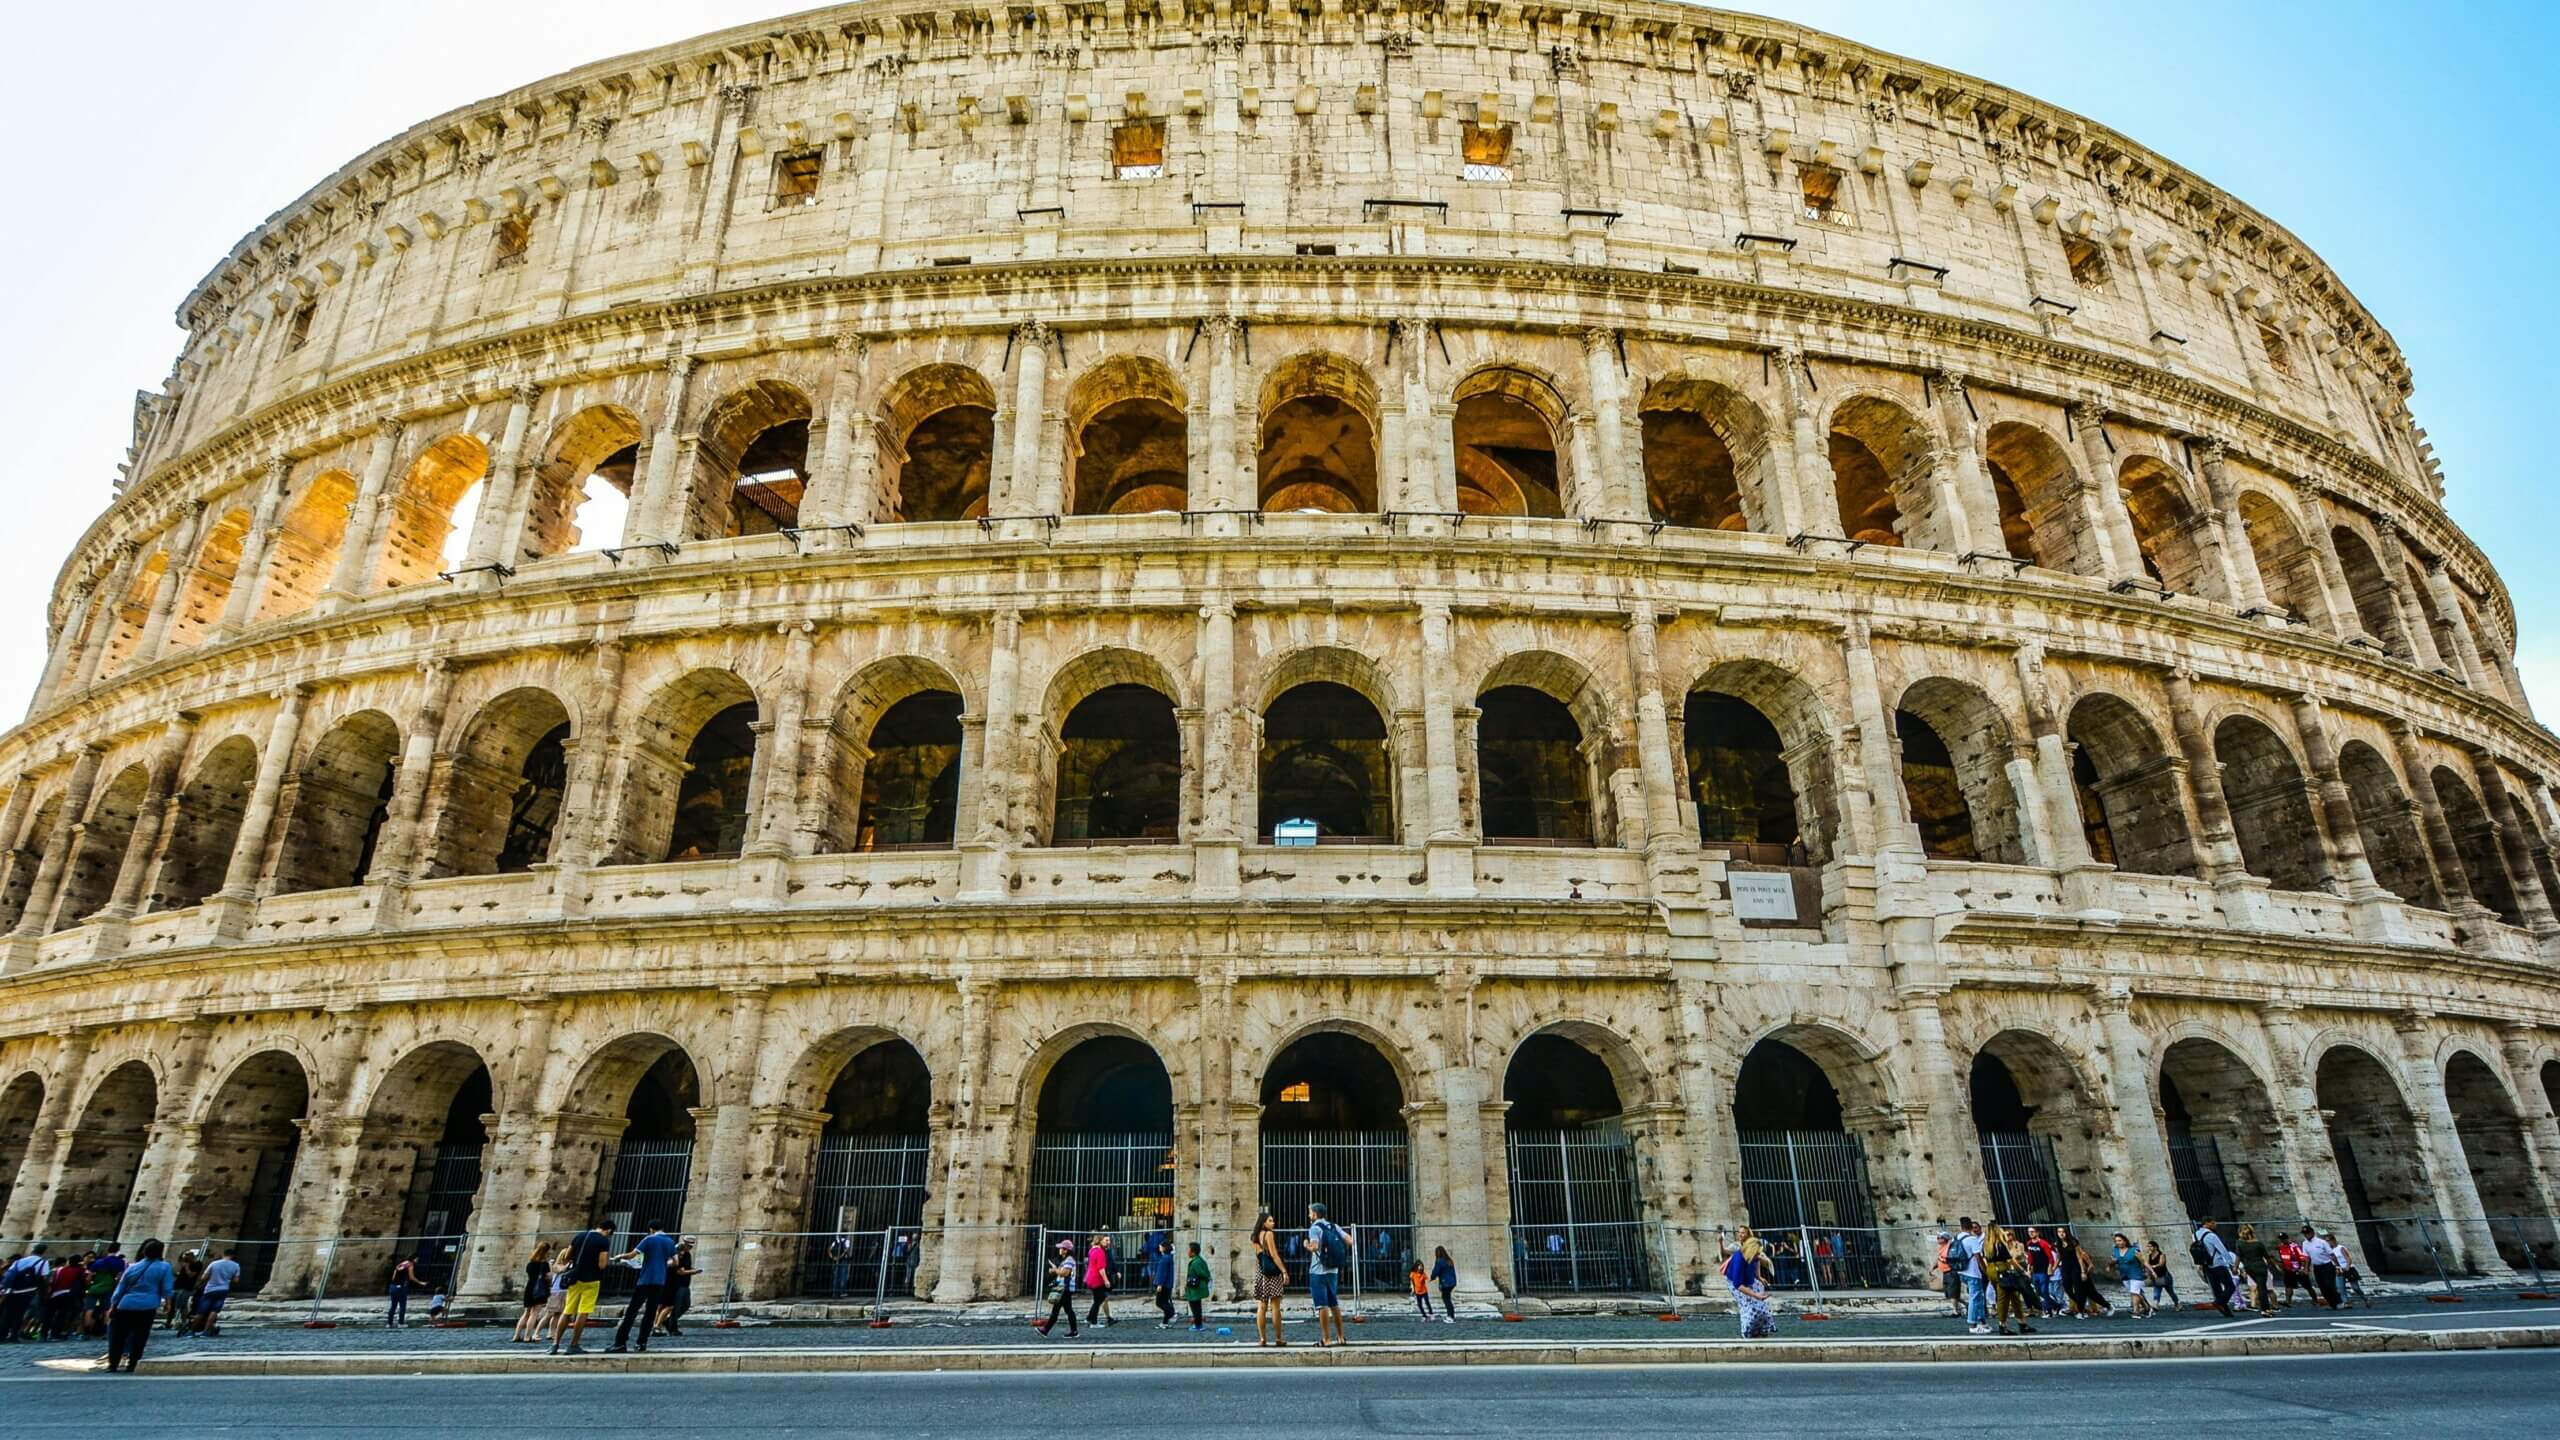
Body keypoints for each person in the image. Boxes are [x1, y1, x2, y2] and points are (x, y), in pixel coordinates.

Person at [103, 1239, 174, 1375]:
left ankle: (113, 1364)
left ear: (144, 1251)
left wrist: (113, 1305)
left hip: (125, 1304)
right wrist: (168, 1302)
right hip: (147, 1305)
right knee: (140, 1336)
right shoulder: (164, 1267)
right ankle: (133, 1363)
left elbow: (121, 1287)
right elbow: (167, 1288)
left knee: (118, 1335)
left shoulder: (132, 1267)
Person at [608, 1222, 679, 1354]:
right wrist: (663, 1265)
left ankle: (620, 1343)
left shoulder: (649, 1239)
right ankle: (641, 1343)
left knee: (632, 1312)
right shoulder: (669, 1241)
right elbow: (675, 1262)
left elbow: (632, 1255)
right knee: (650, 1313)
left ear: (651, 1229)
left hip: (645, 1280)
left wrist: (619, 1257)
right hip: (659, 1281)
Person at [550, 1218, 616, 1356]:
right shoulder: (603, 1241)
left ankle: (555, 1344)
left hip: (575, 1278)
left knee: (567, 1311)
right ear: (608, 1230)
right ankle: (573, 1344)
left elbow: (567, 1257)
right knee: (583, 1312)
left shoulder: (579, 1236)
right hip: (592, 1280)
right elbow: (602, 1265)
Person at [1303, 1202, 1349, 1348]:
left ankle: (1326, 1339)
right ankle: (1341, 1337)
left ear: (1315, 1214)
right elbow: (1350, 1240)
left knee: (1322, 1305)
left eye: (1310, 1212)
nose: (1309, 1215)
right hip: (1333, 1270)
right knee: (1334, 1304)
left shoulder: (1315, 1228)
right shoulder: (1334, 1226)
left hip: (1318, 1271)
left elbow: (1315, 1247)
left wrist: (1306, 1245)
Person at [1984, 1224, 2037, 1336]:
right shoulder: (2000, 1245)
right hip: (2002, 1270)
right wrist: (2023, 1271)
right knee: (2004, 1299)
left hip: (1991, 1270)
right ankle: (2003, 1325)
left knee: (2013, 1296)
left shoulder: (1986, 1246)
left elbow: (1984, 1260)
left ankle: (2021, 1323)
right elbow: (2010, 1260)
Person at [1723, 1227, 1774, 1339]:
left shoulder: (1754, 1253)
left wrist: (1759, 1277)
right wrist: (1755, 1295)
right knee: (1748, 1307)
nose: (1758, 1255)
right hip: (1736, 1282)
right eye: (1757, 1254)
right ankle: (1747, 1333)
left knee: (1763, 1307)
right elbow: (1738, 1285)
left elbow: (1757, 1262)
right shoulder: (1738, 1259)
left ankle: (1763, 1330)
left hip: (1749, 1278)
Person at [1251, 1210, 1289, 1347]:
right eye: (1270, 1221)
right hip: (1272, 1273)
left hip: (1261, 1272)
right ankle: (1278, 1338)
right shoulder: (1269, 1234)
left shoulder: (1254, 1237)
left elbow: (1259, 1256)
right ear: (1263, 1222)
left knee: (1261, 1306)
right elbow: (1274, 1255)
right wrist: (1284, 1271)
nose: (1273, 1223)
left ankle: (1262, 1338)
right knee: (1275, 1307)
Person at [1035, 1237, 1081, 1338]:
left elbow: (1065, 1273)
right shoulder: (1067, 1260)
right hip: (1065, 1288)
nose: (1059, 1250)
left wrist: (1055, 1270)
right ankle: (1073, 1331)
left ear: (1066, 1250)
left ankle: (1045, 1330)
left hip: (1065, 1288)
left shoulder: (1069, 1260)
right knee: (1068, 1310)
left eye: (1061, 1248)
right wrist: (1055, 1271)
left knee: (1058, 1310)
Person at [0, 1243, 47, 1343]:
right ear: (43, 1252)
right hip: (27, 1291)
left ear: (33, 1250)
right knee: (19, 1314)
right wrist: (44, 1294)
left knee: (7, 1313)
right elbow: (43, 1278)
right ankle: (13, 1336)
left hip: (12, 1290)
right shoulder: (43, 1262)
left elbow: (9, 1275)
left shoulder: (20, 1261)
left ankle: (2, 1335)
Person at [2191, 1221, 2237, 1317]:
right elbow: (2222, 1249)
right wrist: (2231, 1263)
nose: (2215, 1225)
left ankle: (2225, 1310)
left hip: (2206, 1265)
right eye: (2213, 1223)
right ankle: (2219, 1302)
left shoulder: (2194, 1235)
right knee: (2230, 1286)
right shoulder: (2212, 1236)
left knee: (2216, 1288)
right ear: (2207, 1223)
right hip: (2218, 1263)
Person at [1952, 1217, 1989, 1335]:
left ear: (1961, 1226)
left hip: (1961, 1271)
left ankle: (1982, 1322)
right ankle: (1972, 1324)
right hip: (1973, 1272)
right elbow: (1978, 1257)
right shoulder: (1972, 1239)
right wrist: (1985, 1270)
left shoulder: (1956, 1238)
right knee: (1975, 1298)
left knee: (1978, 1297)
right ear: (1970, 1227)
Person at [192, 1249, 240, 1338]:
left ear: (223, 1254)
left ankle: (192, 1331)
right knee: (214, 1311)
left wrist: (198, 1285)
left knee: (201, 1311)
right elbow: (236, 1280)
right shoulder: (236, 1265)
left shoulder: (214, 1264)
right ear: (233, 1256)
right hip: (223, 1289)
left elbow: (204, 1277)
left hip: (210, 1289)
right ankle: (206, 1331)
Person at [656, 1237, 697, 1337]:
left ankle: (666, 1323)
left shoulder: (686, 1255)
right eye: (689, 1245)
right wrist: (694, 1271)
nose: (690, 1247)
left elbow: (684, 1268)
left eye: (691, 1246)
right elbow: (679, 1271)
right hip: (676, 1284)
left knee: (685, 1305)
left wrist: (691, 1270)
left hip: (683, 1283)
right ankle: (667, 1327)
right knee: (674, 1306)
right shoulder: (677, 1254)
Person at [513, 1241, 554, 1343]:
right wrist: (551, 1267)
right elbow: (549, 1277)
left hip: (529, 1288)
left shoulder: (530, 1263)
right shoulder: (544, 1264)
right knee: (534, 1314)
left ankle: (516, 1335)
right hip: (539, 1290)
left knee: (526, 1313)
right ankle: (527, 1336)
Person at [2232, 1224, 2275, 1315]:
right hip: (2260, 1266)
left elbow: (2238, 1256)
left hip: (2249, 1267)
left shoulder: (2239, 1243)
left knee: (2258, 1286)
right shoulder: (2258, 1243)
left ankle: (2263, 1307)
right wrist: (2271, 1265)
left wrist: (2235, 1267)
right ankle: (2265, 1309)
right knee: (2262, 1287)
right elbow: (2267, 1257)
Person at [44, 1252, 86, 1340]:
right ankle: (55, 1333)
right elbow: (82, 1283)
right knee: (61, 1315)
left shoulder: (60, 1269)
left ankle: (44, 1333)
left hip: (55, 1294)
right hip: (68, 1294)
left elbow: (53, 1282)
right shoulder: (79, 1271)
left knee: (50, 1314)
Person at [2112, 1233, 2154, 1319]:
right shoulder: (2115, 1250)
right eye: (2116, 1241)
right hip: (2125, 1274)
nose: (2118, 1242)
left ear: (2125, 1241)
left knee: (2134, 1292)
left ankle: (2136, 1312)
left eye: (2120, 1240)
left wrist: (2152, 1271)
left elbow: (2144, 1261)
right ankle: (2147, 1308)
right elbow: (2115, 1260)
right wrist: (2110, 1265)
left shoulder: (2133, 1250)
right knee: (2135, 1292)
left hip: (2136, 1274)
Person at [2302, 1226, 2345, 1310]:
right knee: (2323, 1287)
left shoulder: (2321, 1242)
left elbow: (2332, 1255)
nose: (2306, 1235)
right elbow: (2307, 1257)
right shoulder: (2305, 1244)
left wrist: (2338, 1266)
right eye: (2305, 1234)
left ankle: (2339, 1302)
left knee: (2329, 1285)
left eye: (2308, 1233)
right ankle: (2332, 1304)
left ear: (2312, 1233)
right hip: (2317, 1267)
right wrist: (2306, 1268)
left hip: (2327, 1266)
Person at [1083, 1233, 1116, 1327]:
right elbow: (1101, 1269)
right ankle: (1093, 1322)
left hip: (1090, 1277)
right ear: (1100, 1241)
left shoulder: (1092, 1250)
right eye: (1105, 1240)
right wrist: (1106, 1280)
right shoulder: (1100, 1252)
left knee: (1097, 1300)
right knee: (1099, 1300)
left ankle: (1090, 1319)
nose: (1108, 1242)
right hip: (1097, 1279)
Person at [2328, 1233, 2369, 1304]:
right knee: (2340, 1288)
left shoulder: (2341, 1248)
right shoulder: (2330, 1251)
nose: (2327, 1242)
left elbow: (2348, 1259)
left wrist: (2347, 1267)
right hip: (2339, 1270)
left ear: (2333, 1240)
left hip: (2348, 1269)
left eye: (2328, 1240)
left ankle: (2365, 1298)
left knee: (2355, 1288)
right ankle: (2346, 1302)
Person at [167, 1250, 201, 1334]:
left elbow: (191, 1275)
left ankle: (183, 1322)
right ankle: (168, 1323)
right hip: (177, 1286)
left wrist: (187, 1267)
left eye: (187, 1255)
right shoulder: (184, 1263)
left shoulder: (197, 1264)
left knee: (182, 1306)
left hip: (186, 1288)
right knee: (172, 1306)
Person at [1148, 1234, 1177, 1328]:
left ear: (1164, 1248)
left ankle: (1172, 1313)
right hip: (1168, 1284)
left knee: (1160, 1302)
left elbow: (1162, 1273)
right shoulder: (1169, 1258)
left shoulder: (1164, 1258)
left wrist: (1159, 1284)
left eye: (1160, 1246)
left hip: (1164, 1285)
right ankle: (1165, 1322)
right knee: (1165, 1302)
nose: (1159, 1248)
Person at [1182, 1241, 1212, 1331]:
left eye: (1189, 1250)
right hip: (1196, 1288)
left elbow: (1202, 1273)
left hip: (1195, 1289)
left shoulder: (1196, 1262)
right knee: (1197, 1306)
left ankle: (1198, 1325)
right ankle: (1198, 1324)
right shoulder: (1199, 1260)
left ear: (1193, 1252)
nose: (1187, 1252)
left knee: (1195, 1307)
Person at [387, 1253, 423, 1327]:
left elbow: (393, 1277)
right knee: (402, 1306)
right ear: (414, 1259)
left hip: (392, 1286)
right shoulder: (410, 1265)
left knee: (393, 1306)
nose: (417, 1260)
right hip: (401, 1288)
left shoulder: (400, 1264)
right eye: (417, 1259)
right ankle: (401, 1323)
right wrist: (420, 1282)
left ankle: (389, 1323)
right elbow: (411, 1277)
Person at [2140, 1239, 2176, 1314]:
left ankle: (2177, 1304)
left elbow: (2161, 1264)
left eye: (2150, 1246)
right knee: (2156, 1291)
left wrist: (2153, 1266)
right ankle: (2156, 1304)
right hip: (2157, 1277)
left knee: (2170, 1292)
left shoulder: (2161, 1255)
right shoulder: (2150, 1256)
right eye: (2148, 1246)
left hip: (2165, 1276)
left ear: (2155, 1247)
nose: (2149, 1248)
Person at [1933, 1231, 1962, 1318]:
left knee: (1953, 1292)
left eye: (1939, 1237)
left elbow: (1948, 1259)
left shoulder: (1949, 1247)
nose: (1937, 1239)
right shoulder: (1941, 1248)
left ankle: (1955, 1311)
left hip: (1951, 1271)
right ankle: (1964, 1305)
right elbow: (1939, 1259)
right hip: (1945, 1272)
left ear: (1945, 1239)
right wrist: (1933, 1268)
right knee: (1949, 1293)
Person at [2276, 1233, 2310, 1307]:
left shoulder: (2294, 1246)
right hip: (2287, 1269)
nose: (2282, 1240)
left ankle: (2314, 1299)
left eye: (2283, 1238)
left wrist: (2303, 1268)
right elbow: (2282, 1257)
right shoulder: (2280, 1247)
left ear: (2287, 1238)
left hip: (2297, 1269)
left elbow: (2302, 1257)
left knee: (2307, 1285)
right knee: (2288, 1285)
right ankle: (2288, 1301)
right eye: (2281, 1239)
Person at [1430, 1245, 1458, 1322]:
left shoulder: (1439, 1261)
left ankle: (1450, 1316)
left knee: (1446, 1299)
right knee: (1447, 1298)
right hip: (1452, 1282)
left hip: (1445, 1282)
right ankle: (1451, 1315)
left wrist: (1432, 1277)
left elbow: (1436, 1271)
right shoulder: (1449, 1260)